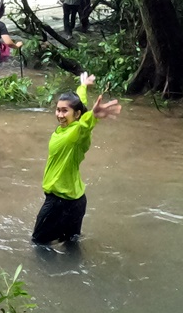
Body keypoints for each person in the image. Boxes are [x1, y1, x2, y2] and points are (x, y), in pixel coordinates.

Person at [31, 71, 121, 246]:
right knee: (71, 244)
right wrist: (83, 86)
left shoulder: (74, 133)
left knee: (38, 243)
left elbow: (85, 125)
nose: (60, 115)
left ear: (77, 114)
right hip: (77, 201)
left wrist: (93, 116)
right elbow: (81, 103)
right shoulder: (70, 126)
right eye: (58, 110)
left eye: (65, 111)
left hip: (59, 202)